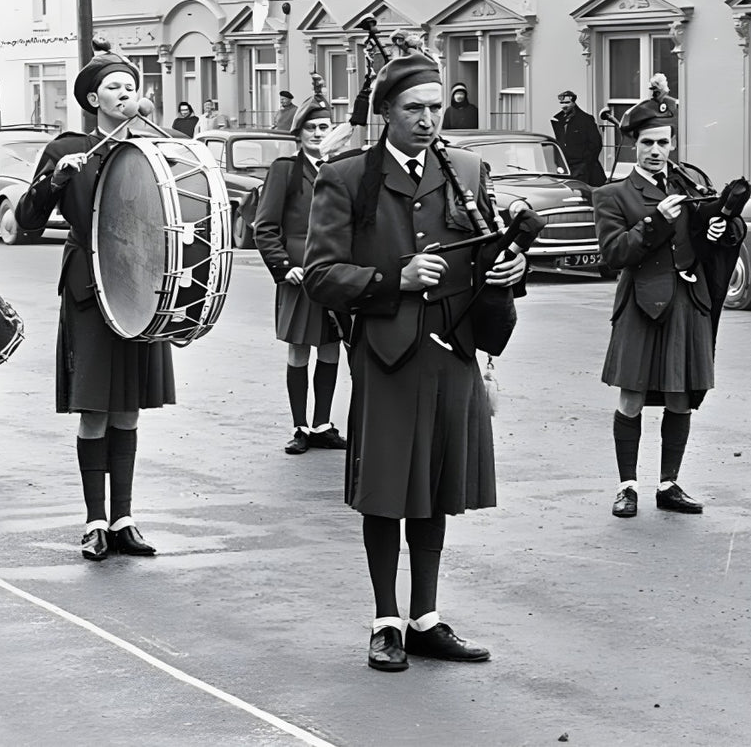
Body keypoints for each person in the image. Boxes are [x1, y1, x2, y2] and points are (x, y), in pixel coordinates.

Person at [304, 49, 527, 673]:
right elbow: (321, 275)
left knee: (433, 489)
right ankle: (385, 620)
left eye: (436, 107)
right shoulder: (347, 178)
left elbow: (485, 252)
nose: (429, 119)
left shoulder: (466, 168)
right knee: (386, 491)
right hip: (388, 353)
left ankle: (425, 617)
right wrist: (392, 278)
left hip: (454, 348)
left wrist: (512, 269)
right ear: (385, 113)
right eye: (414, 109)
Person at [16, 52, 172, 561]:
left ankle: (124, 517)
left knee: (127, 408)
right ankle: (95, 521)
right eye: (115, 88)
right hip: (89, 289)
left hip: (142, 288)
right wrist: (56, 178)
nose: (127, 94)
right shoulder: (68, 149)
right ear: (92, 100)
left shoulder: (151, 150)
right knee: (95, 410)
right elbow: (27, 221)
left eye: (132, 86)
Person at [593, 94, 741, 519]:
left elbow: (708, 237)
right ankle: (627, 487)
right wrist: (655, 219)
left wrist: (716, 229)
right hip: (641, 303)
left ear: (672, 143)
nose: (656, 152)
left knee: (681, 397)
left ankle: (669, 484)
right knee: (632, 397)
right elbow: (615, 254)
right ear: (633, 145)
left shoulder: (688, 186)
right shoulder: (613, 195)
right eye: (647, 144)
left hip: (686, 302)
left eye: (663, 143)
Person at [253, 98, 348, 455]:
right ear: (299, 133)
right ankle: (301, 427)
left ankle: (323, 424)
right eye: (311, 128)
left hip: (335, 272)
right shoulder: (285, 170)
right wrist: (282, 266)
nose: (318, 134)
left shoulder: (339, 168)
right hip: (299, 274)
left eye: (324, 128)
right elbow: (265, 227)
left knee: (330, 346)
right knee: (299, 349)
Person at [551, 90, 607, 186]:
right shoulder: (558, 120)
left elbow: (596, 144)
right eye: (562, 103)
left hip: (584, 169)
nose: (564, 105)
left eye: (567, 102)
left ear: (573, 102)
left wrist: (584, 163)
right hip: (566, 168)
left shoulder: (586, 120)